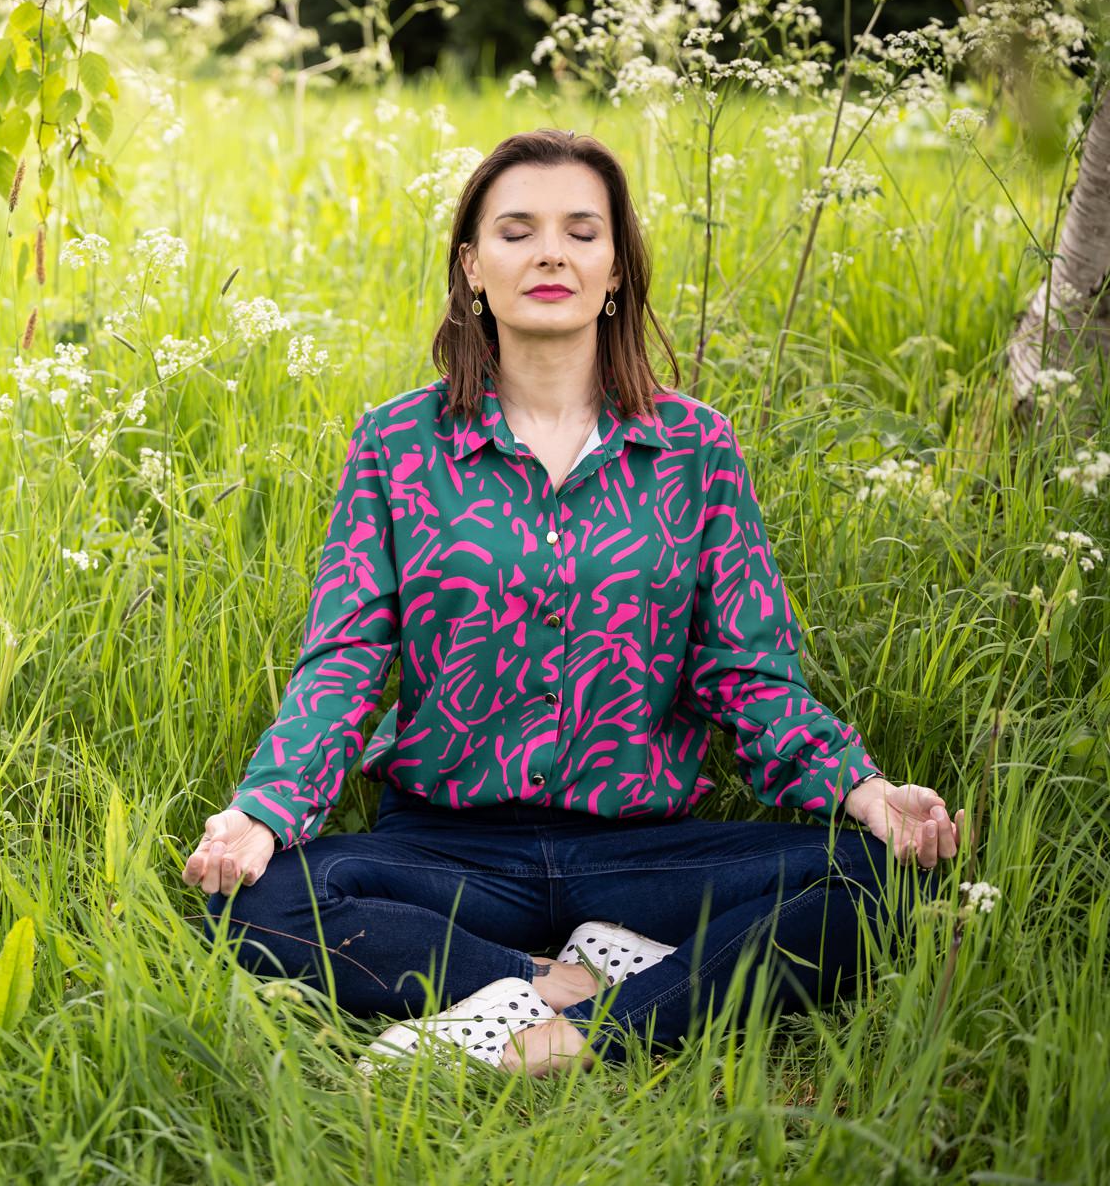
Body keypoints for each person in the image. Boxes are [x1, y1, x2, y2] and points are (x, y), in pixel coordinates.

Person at [184, 128, 966, 1077]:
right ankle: (564, 982)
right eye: (517, 231)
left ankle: (564, 1038)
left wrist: (868, 790)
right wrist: (262, 812)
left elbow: (747, 673)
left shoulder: (696, 448)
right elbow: (346, 660)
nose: (551, 251)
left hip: (647, 852)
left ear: (615, 268)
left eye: (581, 231)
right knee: (253, 905)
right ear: (474, 267)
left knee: (875, 883)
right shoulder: (397, 442)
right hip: (447, 852)